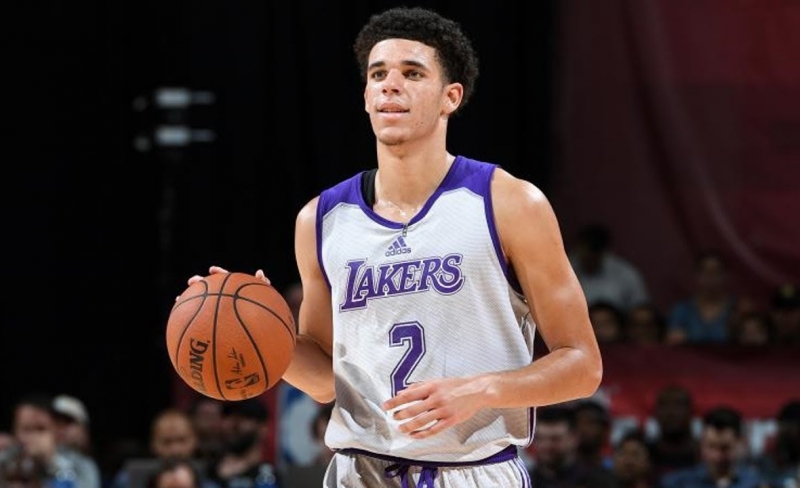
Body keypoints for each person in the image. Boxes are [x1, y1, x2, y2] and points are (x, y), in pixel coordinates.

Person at [186, 6, 602, 487]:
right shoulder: (319, 220)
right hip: (358, 471)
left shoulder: (509, 203)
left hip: (473, 471)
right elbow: (322, 381)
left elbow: (582, 365)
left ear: (451, 97)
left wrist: (481, 389)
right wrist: (261, 330)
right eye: (378, 74)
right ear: (365, 96)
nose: (390, 85)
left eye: (412, 73)